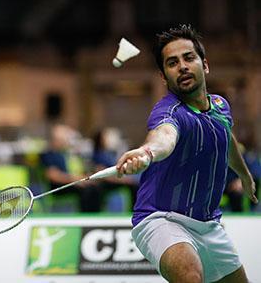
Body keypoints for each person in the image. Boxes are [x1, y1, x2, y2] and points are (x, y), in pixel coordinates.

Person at [114, 24, 258, 283]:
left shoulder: (220, 106)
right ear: (163, 76)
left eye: (188, 58)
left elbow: (226, 139)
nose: (182, 66)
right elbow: (164, 138)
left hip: (208, 224)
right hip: (161, 218)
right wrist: (146, 153)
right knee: (189, 275)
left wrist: (244, 175)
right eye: (172, 63)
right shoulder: (169, 113)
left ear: (205, 65)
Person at [41, 124, 102, 212]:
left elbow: (77, 170)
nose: (65, 141)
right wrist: (75, 180)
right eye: (63, 139)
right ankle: (86, 219)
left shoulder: (66, 154)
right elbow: (53, 175)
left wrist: (84, 178)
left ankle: (95, 218)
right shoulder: (48, 154)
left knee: (95, 187)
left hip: (71, 182)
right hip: (58, 187)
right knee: (87, 190)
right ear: (55, 140)